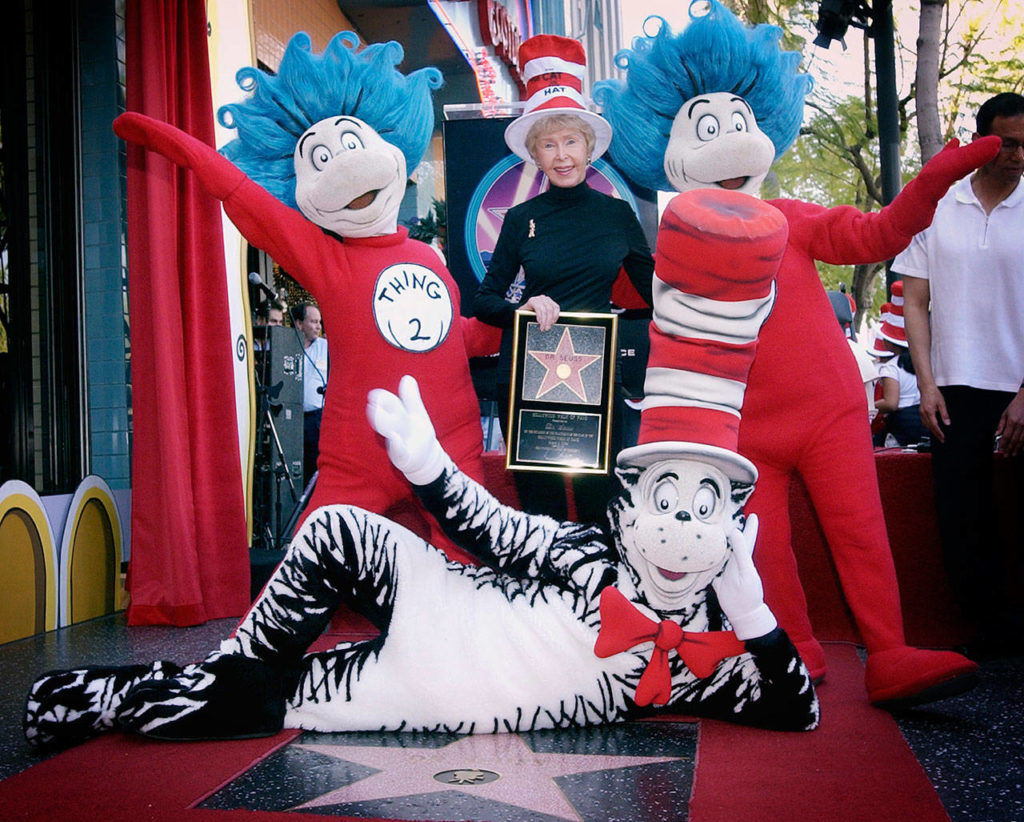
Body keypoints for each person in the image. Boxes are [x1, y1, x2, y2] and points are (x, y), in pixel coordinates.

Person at [473, 34, 654, 523]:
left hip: (597, 378)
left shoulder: (618, 216)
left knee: (600, 507)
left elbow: (657, 292)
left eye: (570, 140)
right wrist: (521, 310)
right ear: (534, 153)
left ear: (589, 146)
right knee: (541, 509)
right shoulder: (519, 218)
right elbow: (484, 299)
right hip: (529, 377)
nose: (562, 154)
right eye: (548, 144)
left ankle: (601, 598)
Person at [894, 91, 1024, 657]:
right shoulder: (939, 203)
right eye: (1009, 143)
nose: (1019, 155)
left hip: (1020, 384)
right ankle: (990, 635)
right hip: (954, 384)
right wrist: (925, 384)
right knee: (961, 515)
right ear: (983, 143)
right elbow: (915, 303)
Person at [291, 302, 328, 487]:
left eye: (319, 322)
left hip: (315, 419)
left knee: (314, 466)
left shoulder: (325, 347)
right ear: (299, 324)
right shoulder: (288, 345)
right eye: (313, 321)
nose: (318, 326)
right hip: (290, 419)